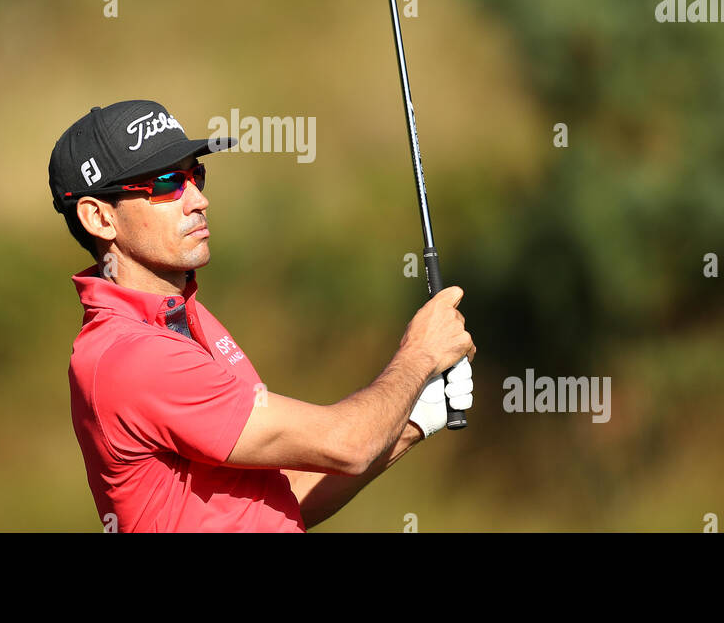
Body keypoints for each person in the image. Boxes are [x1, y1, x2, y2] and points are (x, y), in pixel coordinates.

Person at [50, 99, 475, 532]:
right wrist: (418, 353)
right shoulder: (128, 357)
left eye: (195, 174)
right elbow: (348, 444)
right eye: (166, 184)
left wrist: (414, 415)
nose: (198, 199)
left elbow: (276, 500)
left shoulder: (185, 317)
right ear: (99, 217)